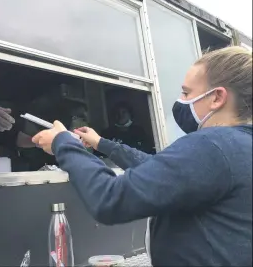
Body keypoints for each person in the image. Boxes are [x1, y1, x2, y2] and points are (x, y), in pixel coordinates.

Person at [32, 46, 252, 266]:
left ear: (217, 98)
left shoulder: (212, 145)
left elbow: (111, 199)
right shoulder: (240, 146)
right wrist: (100, 143)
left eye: (186, 93)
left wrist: (64, 142)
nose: (181, 100)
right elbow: (159, 168)